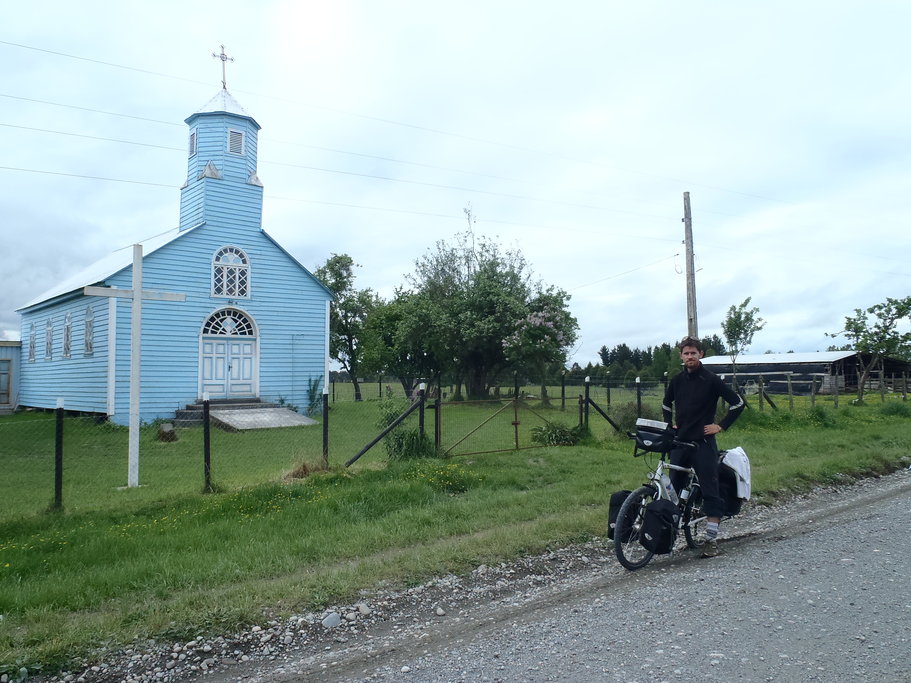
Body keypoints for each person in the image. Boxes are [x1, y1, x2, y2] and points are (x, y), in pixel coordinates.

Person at [662, 336, 745, 557]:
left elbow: (738, 403)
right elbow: (666, 403)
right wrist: (669, 425)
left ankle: (711, 540)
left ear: (701, 354)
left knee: (710, 489)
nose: (690, 356)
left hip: (703, 443)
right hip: (680, 442)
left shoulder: (711, 379)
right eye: (686, 353)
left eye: (693, 353)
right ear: (681, 356)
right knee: (673, 490)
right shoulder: (677, 380)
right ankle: (669, 534)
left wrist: (721, 426)